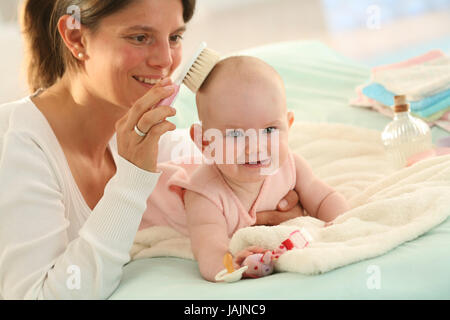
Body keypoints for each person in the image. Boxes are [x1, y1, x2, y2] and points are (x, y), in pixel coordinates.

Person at [0, 0, 303, 299]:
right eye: (140, 37)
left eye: (174, 37)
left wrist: (268, 205)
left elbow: (240, 179)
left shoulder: (153, 137)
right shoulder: (19, 144)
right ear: (77, 37)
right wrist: (132, 178)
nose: (166, 60)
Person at [138, 56, 350, 282]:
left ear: (288, 126)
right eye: (235, 135)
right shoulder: (204, 195)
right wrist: (234, 264)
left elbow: (325, 198)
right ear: (205, 142)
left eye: (269, 130)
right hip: (145, 203)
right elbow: (208, 248)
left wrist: (341, 227)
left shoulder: (291, 165)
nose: (255, 147)